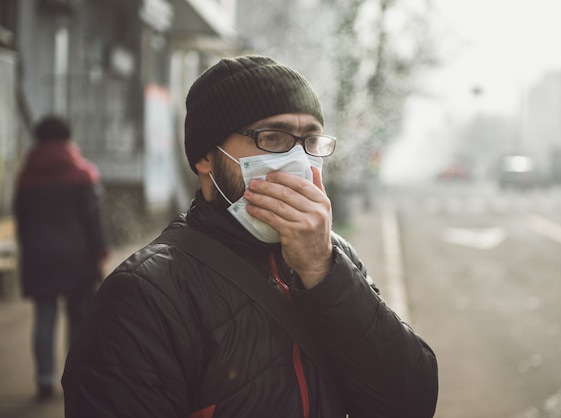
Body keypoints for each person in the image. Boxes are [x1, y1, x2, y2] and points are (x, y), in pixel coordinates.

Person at [62, 55, 438, 417]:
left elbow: (409, 404)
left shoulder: (331, 256)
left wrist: (322, 269)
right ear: (206, 157)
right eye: (272, 138)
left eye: (310, 141)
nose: (297, 162)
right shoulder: (145, 294)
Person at [13, 115, 109, 401]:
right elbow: (93, 218)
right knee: (77, 320)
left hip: (38, 256)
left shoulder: (26, 175)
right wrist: (100, 250)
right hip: (77, 258)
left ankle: (44, 379)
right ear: (68, 138)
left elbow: (21, 215)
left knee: (44, 317)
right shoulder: (83, 173)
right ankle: (74, 378)